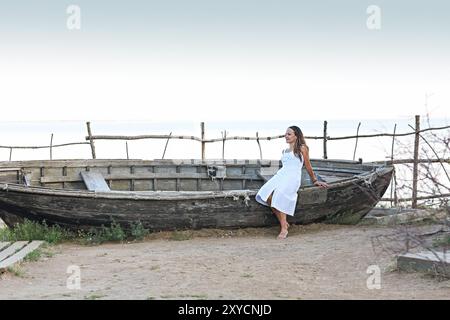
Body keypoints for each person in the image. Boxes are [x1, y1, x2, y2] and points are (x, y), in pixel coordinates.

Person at [255, 126, 329, 239]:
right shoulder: (284, 150)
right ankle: (284, 223)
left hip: (293, 177)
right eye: (286, 134)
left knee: (279, 194)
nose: (286, 136)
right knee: (265, 193)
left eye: (289, 134)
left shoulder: (302, 148)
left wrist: (314, 180)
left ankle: (284, 228)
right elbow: (284, 166)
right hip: (281, 175)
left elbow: (308, 166)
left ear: (296, 135)